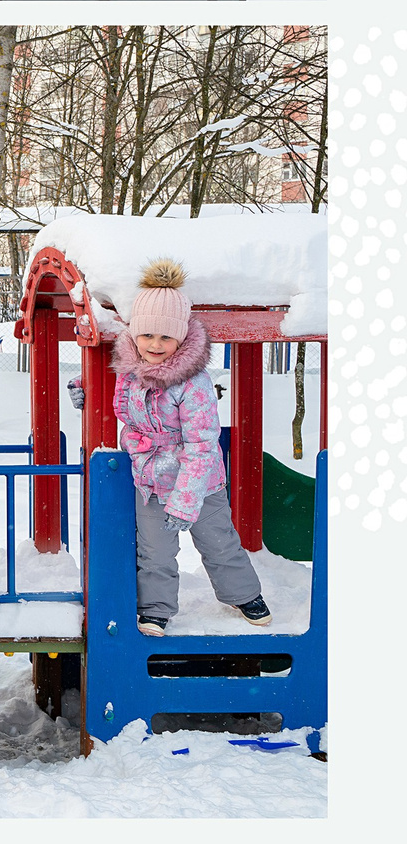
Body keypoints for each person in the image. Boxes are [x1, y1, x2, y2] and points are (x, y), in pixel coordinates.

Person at [80, 259, 270, 636]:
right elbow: (125, 410)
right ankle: (156, 609)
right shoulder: (130, 370)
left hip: (200, 482)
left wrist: (187, 500)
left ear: (181, 339)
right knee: (155, 552)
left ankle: (244, 595)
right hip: (150, 479)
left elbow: (201, 445)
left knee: (218, 545)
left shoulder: (193, 383)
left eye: (165, 338)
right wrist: (82, 391)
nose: (155, 345)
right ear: (134, 334)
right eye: (147, 335)